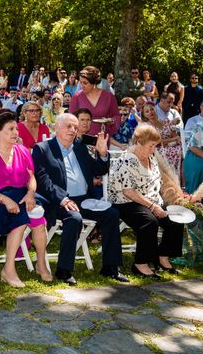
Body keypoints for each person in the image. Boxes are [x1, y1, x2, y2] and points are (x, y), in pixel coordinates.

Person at [32, 114, 127, 285]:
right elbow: (43, 181)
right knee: (74, 219)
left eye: (75, 127)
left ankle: (110, 267)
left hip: (84, 199)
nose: (73, 130)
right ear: (56, 127)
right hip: (59, 200)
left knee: (111, 214)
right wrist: (63, 199)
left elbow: (98, 170)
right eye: (68, 126)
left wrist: (102, 153)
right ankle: (64, 270)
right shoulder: (43, 148)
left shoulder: (79, 147)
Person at [0, 111, 51, 287]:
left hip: (20, 195)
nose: (16, 132)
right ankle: (8, 270)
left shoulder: (22, 151)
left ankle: (41, 264)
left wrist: (31, 193)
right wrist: (6, 200)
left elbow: (31, 178)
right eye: (10, 129)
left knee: (38, 218)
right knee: (20, 218)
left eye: (16, 128)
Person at [108, 124, 184, 278]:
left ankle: (162, 258)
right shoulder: (126, 160)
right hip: (126, 202)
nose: (153, 149)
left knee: (176, 219)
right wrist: (153, 206)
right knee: (149, 221)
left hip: (152, 200)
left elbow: (157, 182)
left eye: (155, 146)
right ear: (139, 143)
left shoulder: (151, 158)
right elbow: (128, 191)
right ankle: (140, 264)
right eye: (151, 146)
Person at [69, 66, 119, 137]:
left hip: (102, 137)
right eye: (81, 83)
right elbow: (70, 119)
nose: (82, 86)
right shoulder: (76, 97)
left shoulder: (108, 96)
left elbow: (116, 115)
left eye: (85, 83)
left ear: (94, 82)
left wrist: (112, 121)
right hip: (82, 139)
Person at [140, 101, 183, 178]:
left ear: (155, 109)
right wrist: (174, 139)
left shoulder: (165, 121)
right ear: (144, 115)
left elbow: (174, 134)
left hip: (170, 146)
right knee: (180, 152)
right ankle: (175, 179)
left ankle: (183, 183)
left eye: (152, 109)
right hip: (157, 149)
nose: (150, 112)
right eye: (147, 111)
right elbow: (156, 142)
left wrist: (178, 139)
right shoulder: (147, 126)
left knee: (185, 151)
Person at [184, 102, 203, 194]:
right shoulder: (201, 125)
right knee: (202, 170)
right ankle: (198, 202)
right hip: (198, 154)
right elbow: (192, 146)